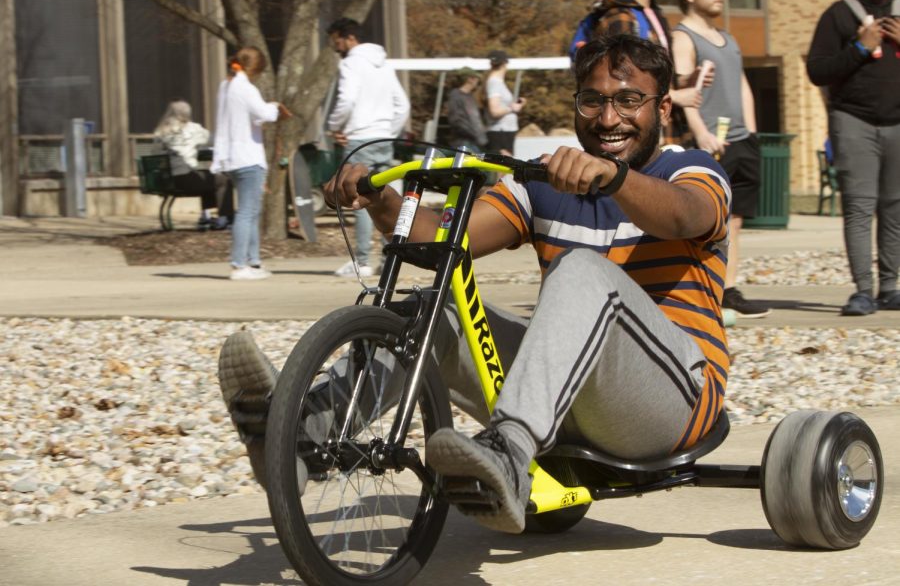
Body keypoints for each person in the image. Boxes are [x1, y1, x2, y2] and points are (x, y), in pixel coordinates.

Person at [218, 34, 731, 535]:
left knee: (581, 270)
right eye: (592, 100)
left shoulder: (692, 172)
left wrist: (614, 179)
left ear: (663, 110)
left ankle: (508, 451)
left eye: (628, 100)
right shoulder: (544, 187)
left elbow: (687, 217)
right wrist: (380, 202)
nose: (608, 117)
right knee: (432, 311)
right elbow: (441, 236)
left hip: (673, 403)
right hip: (566, 401)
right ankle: (298, 435)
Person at [671, 0, 771, 319]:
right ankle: (699, 292)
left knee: (735, 219)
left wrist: (752, 132)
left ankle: (728, 289)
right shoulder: (683, 38)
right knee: (705, 219)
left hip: (740, 140)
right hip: (708, 143)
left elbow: (742, 84)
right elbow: (686, 92)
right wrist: (700, 132)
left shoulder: (728, 38)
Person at [807, 0, 900, 315]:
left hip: (897, 124)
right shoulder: (839, 14)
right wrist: (861, 47)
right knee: (860, 208)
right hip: (853, 121)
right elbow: (816, 71)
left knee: (894, 207)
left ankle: (890, 289)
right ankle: (863, 291)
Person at [326, 17, 411, 278]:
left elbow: (347, 99)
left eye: (336, 40)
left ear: (349, 38)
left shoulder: (350, 63)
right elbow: (403, 104)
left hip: (358, 138)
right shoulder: (383, 64)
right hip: (383, 138)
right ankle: (391, 257)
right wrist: (388, 130)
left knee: (356, 197)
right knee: (384, 197)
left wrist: (334, 126)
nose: (335, 47)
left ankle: (362, 261)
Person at [211, 46, 290, 281]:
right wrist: (275, 107)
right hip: (248, 156)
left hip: (232, 156)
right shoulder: (245, 88)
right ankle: (239, 264)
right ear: (254, 68)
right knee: (247, 212)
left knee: (251, 211)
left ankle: (253, 261)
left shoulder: (226, 86)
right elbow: (264, 114)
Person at [588, 0, 706, 145]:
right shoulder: (620, 16)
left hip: (667, 131)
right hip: (642, 138)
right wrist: (677, 97)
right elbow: (621, 81)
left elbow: (650, 72)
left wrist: (682, 81)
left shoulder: (652, 13)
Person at [154, 99, 232, 230]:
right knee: (222, 179)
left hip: (167, 181)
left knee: (208, 177)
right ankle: (225, 218)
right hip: (187, 179)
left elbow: (155, 153)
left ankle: (205, 216)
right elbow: (215, 140)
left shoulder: (160, 131)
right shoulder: (193, 129)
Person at [484, 50, 525, 156]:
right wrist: (512, 108)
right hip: (501, 131)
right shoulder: (494, 82)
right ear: (504, 64)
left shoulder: (495, 81)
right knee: (503, 166)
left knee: (505, 166)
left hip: (504, 130)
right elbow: (494, 111)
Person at [446, 67, 488, 152]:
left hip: (474, 142)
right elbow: (456, 120)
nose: (477, 81)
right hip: (463, 143)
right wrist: (473, 134)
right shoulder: (456, 96)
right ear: (470, 79)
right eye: (476, 78)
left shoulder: (469, 96)